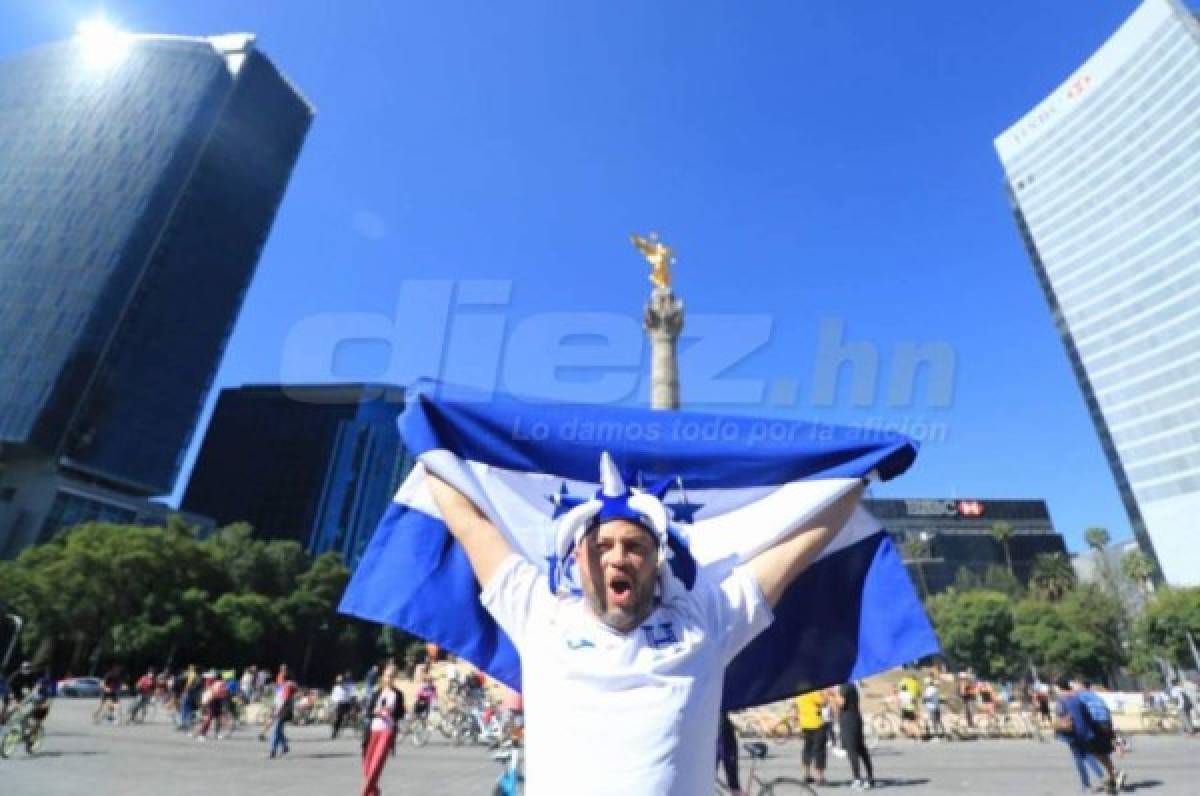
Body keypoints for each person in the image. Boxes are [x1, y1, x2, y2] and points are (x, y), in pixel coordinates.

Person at [426, 451, 863, 794]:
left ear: (657, 562)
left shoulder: (706, 623)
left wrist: (860, 477)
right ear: (577, 558)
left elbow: (795, 550)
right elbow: (470, 523)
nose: (617, 557)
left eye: (634, 546)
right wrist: (427, 441)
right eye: (602, 546)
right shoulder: (537, 613)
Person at [1055, 677, 1117, 794]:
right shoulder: (1077, 697)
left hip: (1073, 732)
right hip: (1086, 730)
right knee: (1088, 755)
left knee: (1078, 758)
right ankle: (1102, 777)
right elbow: (1086, 712)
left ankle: (1087, 785)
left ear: (1059, 687)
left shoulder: (1061, 699)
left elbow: (1061, 713)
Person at [361, 663, 405, 796]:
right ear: (383, 677)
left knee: (376, 766)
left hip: (387, 731)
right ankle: (374, 792)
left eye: (392, 676)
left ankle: (365, 793)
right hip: (373, 730)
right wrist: (376, 711)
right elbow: (368, 712)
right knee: (367, 766)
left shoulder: (398, 694)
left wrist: (391, 712)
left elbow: (400, 714)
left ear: (395, 677)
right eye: (387, 676)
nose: (389, 678)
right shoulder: (377, 692)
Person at [833, 681, 875, 790]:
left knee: (852, 750)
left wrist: (833, 695)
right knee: (861, 748)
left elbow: (841, 703)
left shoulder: (844, 687)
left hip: (849, 720)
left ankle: (857, 778)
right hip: (854, 717)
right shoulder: (852, 686)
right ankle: (870, 776)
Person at [796, 689, 828, 785]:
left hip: (804, 724)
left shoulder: (799, 692)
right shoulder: (813, 690)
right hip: (816, 724)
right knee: (819, 750)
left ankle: (806, 775)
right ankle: (820, 777)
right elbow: (823, 702)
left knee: (807, 749)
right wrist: (825, 694)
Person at [268, 680, 297, 759]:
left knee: (275, 731)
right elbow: (278, 702)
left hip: (282, 713)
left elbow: (282, 702)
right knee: (279, 731)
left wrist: (275, 712)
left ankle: (272, 751)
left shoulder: (286, 689)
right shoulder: (283, 689)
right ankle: (285, 747)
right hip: (283, 713)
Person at [331, 674, 354, 739]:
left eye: (341, 681)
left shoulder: (348, 686)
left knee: (349, 716)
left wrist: (353, 700)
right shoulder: (336, 688)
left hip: (347, 703)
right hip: (340, 704)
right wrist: (335, 703)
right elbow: (333, 698)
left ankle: (347, 724)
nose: (340, 683)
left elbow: (352, 694)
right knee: (339, 718)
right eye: (339, 682)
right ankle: (335, 731)